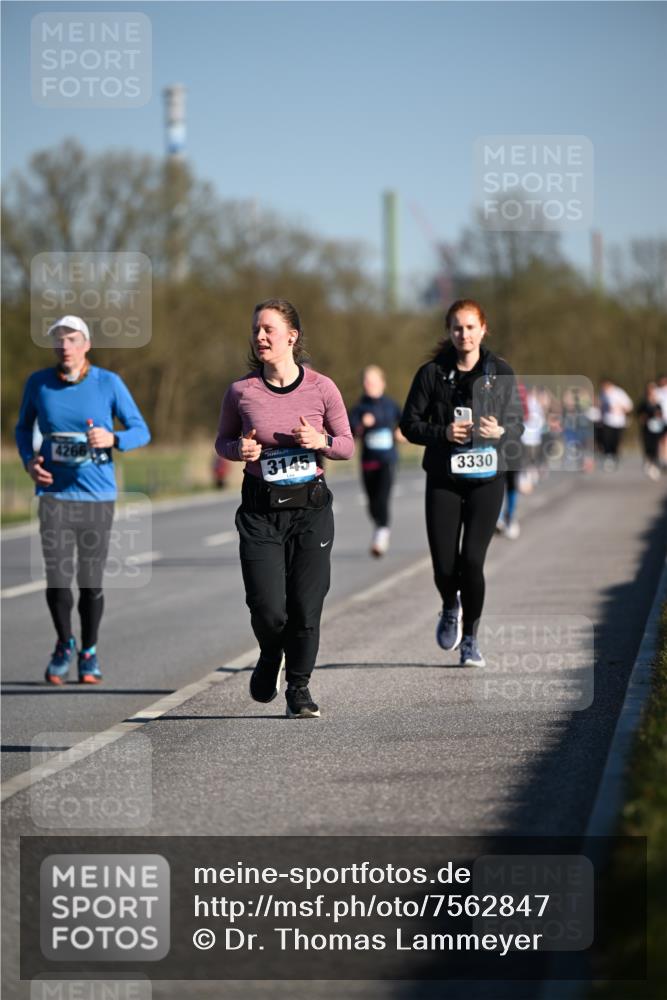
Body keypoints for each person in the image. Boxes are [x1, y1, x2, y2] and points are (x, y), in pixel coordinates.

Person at [215, 298, 354, 718]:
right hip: (260, 513)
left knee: (306, 609)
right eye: (256, 329)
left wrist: (321, 442)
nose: (259, 336)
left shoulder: (322, 388)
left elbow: (346, 445)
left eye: (268, 329)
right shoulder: (241, 392)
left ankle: (299, 689)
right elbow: (222, 442)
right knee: (267, 608)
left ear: (291, 336)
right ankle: (270, 651)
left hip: (310, 512)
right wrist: (239, 450)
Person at [15, 315, 151, 684]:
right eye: (59, 340)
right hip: (54, 495)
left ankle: (88, 651)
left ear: (86, 345)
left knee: (90, 581)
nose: (65, 346)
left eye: (72, 339)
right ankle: (64, 644)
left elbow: (141, 431)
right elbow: (23, 428)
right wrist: (29, 461)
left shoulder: (108, 382)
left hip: (96, 497)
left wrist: (113, 438)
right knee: (58, 579)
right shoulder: (38, 383)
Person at [400, 299, 524, 667]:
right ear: (449, 331)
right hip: (444, 479)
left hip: (487, 478)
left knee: (471, 561)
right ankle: (449, 604)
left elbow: (517, 426)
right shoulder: (431, 374)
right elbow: (409, 425)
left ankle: (470, 639)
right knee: (443, 566)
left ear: (483, 329)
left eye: (470, 327)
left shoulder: (500, 372)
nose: (464, 334)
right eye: (457, 327)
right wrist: (444, 432)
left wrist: (500, 431)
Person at [348, 365, 403, 557]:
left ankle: (382, 532)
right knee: (372, 503)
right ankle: (379, 526)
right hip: (368, 462)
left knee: (382, 498)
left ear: (382, 383)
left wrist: (400, 433)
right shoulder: (359, 408)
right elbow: (350, 432)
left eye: (372, 381)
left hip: (387, 461)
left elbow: (406, 425)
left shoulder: (391, 405)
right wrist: (362, 425)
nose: (368, 384)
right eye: (365, 381)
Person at [598, 378, 633, 470]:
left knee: (615, 441)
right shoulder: (602, 394)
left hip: (618, 422)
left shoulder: (619, 392)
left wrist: (619, 408)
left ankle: (614, 456)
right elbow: (600, 407)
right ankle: (608, 457)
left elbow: (629, 406)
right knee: (606, 440)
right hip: (606, 421)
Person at [636, 382, 664, 481]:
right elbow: (638, 413)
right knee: (647, 445)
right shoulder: (643, 403)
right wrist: (642, 418)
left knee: (655, 446)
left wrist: (658, 415)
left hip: (656, 428)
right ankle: (648, 461)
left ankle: (655, 464)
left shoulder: (657, 403)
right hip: (646, 428)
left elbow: (660, 414)